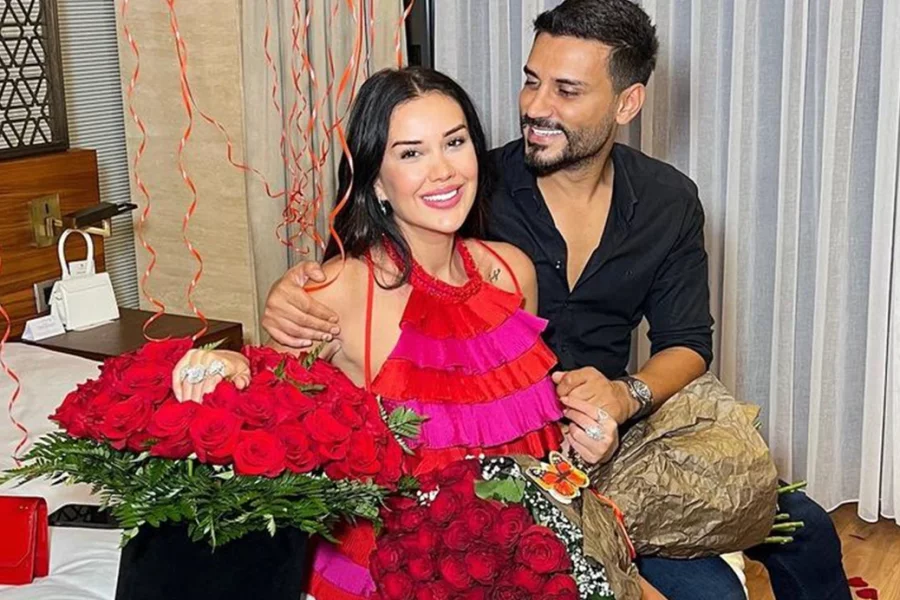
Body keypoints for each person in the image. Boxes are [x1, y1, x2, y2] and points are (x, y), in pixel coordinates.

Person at [260, 1, 852, 599]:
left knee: (804, 526)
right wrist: (292, 297)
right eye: (531, 81)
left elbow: (688, 342)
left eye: (566, 90)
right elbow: (368, 279)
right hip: (501, 469)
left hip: (607, 435)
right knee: (712, 594)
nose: (536, 107)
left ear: (627, 103)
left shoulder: (664, 201)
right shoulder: (470, 187)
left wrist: (624, 396)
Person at [174, 66, 666, 600]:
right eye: (411, 153)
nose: (443, 171)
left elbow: (522, 439)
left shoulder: (511, 272)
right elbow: (270, 398)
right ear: (375, 181)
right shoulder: (339, 289)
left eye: (455, 143)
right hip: (397, 578)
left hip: (525, 564)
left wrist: (587, 437)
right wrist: (223, 362)